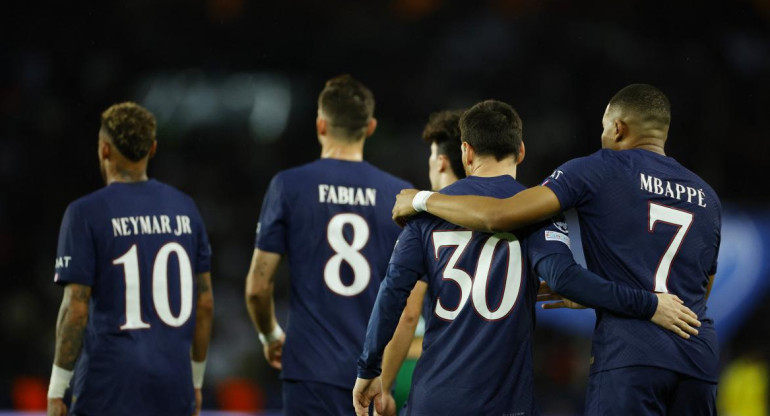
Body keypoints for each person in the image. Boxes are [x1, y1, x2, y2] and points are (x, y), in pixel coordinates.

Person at [354, 100, 699, 415]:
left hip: (436, 400)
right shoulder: (539, 210)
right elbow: (565, 279)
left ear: (465, 152)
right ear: (520, 151)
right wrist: (647, 303)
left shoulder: (425, 214)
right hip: (505, 403)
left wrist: (369, 368)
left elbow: (393, 293)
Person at [245, 74, 412, 415]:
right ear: (370, 127)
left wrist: (270, 336)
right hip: (372, 376)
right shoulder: (398, 195)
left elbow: (257, 288)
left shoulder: (289, 186)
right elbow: (409, 307)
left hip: (310, 370)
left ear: (321, 125)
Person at [47, 102, 214, 416]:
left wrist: (57, 390)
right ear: (152, 149)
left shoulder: (84, 213)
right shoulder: (186, 209)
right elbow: (204, 303)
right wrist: (195, 383)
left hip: (108, 388)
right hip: (173, 388)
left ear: (105, 150)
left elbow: (76, 307)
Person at [378, 109, 466, 416]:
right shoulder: (502, 216)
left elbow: (409, 314)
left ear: (441, 160)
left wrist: (384, 385)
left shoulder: (425, 224)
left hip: (430, 376)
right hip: (494, 382)